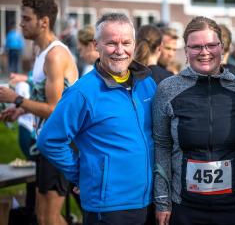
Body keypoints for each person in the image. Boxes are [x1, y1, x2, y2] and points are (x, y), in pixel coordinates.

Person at [36, 13, 156, 225]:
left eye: (126, 43)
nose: (120, 50)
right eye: (111, 43)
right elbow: (49, 140)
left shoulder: (147, 83)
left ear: (134, 45)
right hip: (109, 207)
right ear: (96, 45)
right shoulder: (82, 92)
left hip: (149, 200)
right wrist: (83, 173)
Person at [153, 16, 235, 225]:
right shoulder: (167, 89)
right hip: (186, 208)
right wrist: (162, 200)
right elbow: (162, 145)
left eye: (211, 45)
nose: (204, 52)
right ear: (186, 50)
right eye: (196, 46)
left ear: (222, 47)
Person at [0, 0, 78, 225]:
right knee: (42, 217)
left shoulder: (55, 55)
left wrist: (16, 100)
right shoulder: (38, 52)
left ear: (44, 21)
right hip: (46, 142)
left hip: (62, 144)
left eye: (26, 19)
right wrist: (21, 112)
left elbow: (56, 110)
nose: (21, 23)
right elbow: (43, 97)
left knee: (51, 218)